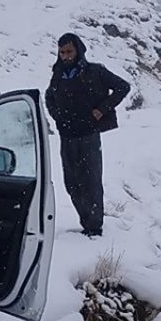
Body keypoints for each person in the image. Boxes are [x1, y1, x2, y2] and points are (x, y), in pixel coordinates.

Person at [44, 33, 130, 237]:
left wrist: (101, 110)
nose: (65, 56)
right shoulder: (58, 73)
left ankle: (94, 227)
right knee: (72, 183)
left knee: (91, 182)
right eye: (62, 52)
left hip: (89, 135)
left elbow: (122, 87)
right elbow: (49, 97)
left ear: (78, 51)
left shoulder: (94, 71)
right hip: (67, 135)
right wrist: (57, 116)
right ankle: (85, 222)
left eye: (69, 51)